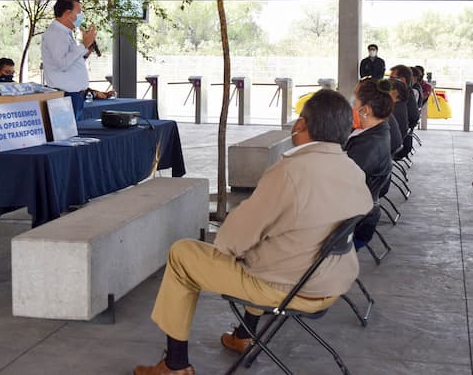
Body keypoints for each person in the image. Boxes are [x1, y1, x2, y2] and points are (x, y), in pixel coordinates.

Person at [133, 89, 373, 375]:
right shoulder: (353, 171)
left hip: (286, 287)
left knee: (184, 253)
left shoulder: (289, 173)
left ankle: (174, 365)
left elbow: (230, 240)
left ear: (301, 125)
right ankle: (244, 335)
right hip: (330, 283)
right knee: (265, 247)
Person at [345, 78, 395, 249]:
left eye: (354, 102)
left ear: (365, 110)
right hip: (356, 213)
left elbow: (341, 184)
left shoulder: (370, 145)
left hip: (353, 224)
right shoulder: (370, 131)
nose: (351, 107)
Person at [41, 0, 97, 120]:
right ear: (67, 13)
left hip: (74, 96)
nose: (81, 16)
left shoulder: (65, 33)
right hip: (65, 96)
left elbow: (70, 60)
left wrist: (86, 51)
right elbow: (62, 64)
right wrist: (83, 45)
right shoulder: (56, 33)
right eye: (79, 12)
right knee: (67, 136)